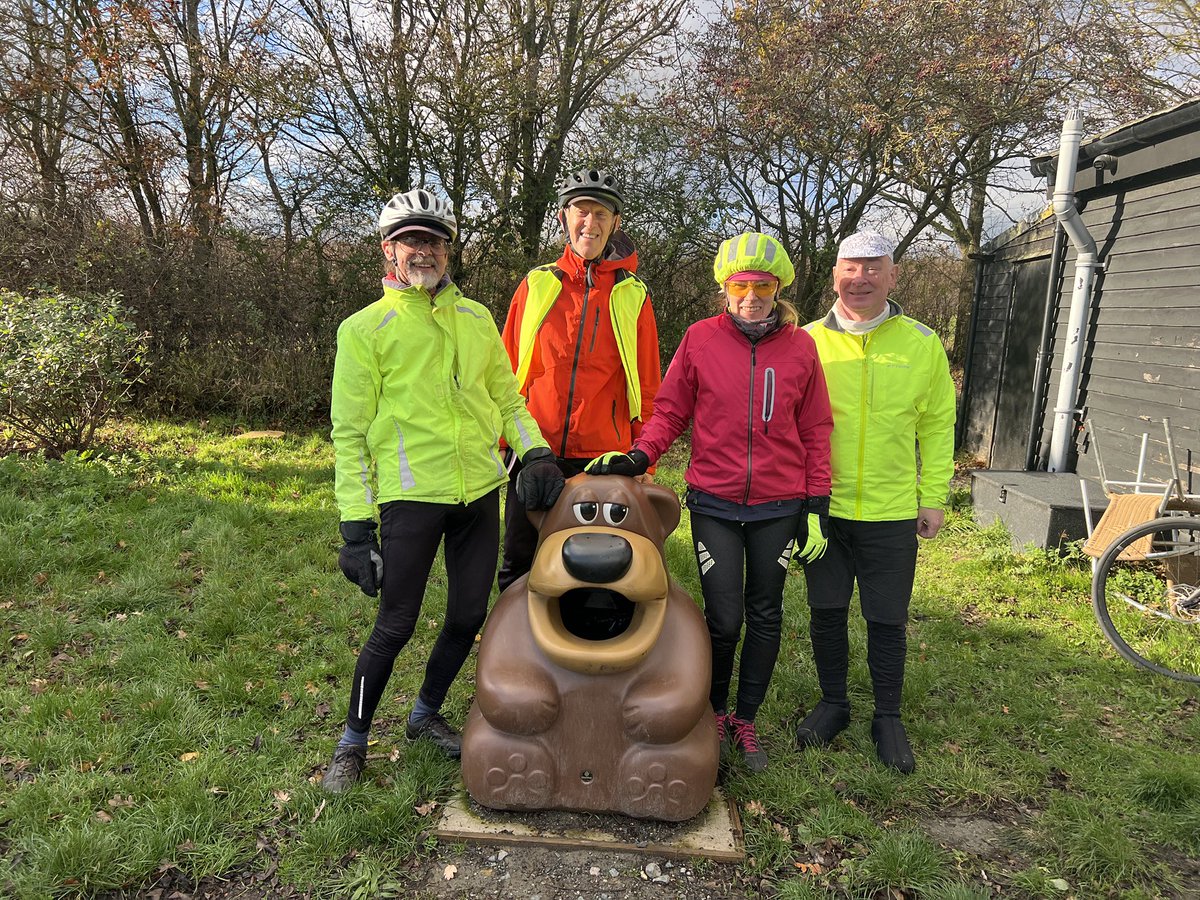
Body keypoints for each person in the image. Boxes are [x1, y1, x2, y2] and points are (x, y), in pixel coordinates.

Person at [322, 187, 565, 793]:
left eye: (432, 240)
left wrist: (532, 448)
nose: (422, 250)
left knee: (467, 616)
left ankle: (424, 712)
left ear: (448, 251)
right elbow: (349, 434)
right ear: (389, 252)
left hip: (479, 491)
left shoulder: (476, 318)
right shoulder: (364, 329)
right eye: (411, 240)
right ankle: (352, 741)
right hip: (411, 496)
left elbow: (508, 398)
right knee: (396, 622)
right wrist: (356, 529)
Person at [588, 232, 833, 772]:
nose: (751, 295)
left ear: (778, 289)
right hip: (715, 502)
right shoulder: (700, 339)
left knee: (765, 613)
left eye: (762, 286)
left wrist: (817, 504)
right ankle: (714, 712)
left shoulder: (801, 347)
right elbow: (671, 410)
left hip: (779, 504)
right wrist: (640, 456)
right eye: (740, 285)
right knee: (723, 618)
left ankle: (745, 720)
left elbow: (816, 427)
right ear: (725, 289)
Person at [794, 230, 956, 774]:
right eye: (849, 267)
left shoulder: (921, 342)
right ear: (834, 274)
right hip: (823, 507)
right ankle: (834, 703)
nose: (859, 278)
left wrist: (933, 496)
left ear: (893, 275)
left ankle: (888, 717)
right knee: (827, 611)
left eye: (871, 268)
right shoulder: (806, 341)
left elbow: (936, 425)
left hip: (891, 510)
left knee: (886, 618)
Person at [497, 168, 661, 593]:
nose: (590, 222)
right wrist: (504, 445)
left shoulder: (633, 294)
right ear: (563, 217)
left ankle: (590, 657)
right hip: (535, 449)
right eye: (581, 211)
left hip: (604, 457)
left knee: (597, 570)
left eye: (601, 213)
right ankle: (514, 654)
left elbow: (647, 386)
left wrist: (646, 458)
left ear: (616, 222)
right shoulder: (536, 284)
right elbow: (504, 371)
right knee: (519, 562)